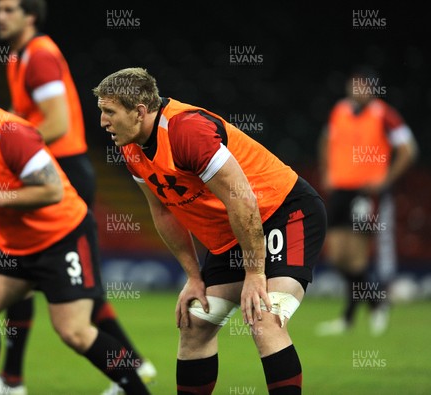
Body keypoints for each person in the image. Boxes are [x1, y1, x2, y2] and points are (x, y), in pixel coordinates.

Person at [93, 67, 327, 394]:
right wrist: (193, 276)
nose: (103, 121)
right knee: (195, 323)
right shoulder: (130, 147)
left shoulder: (186, 130)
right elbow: (163, 209)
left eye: (109, 112)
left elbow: (241, 197)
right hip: (234, 231)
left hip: (283, 212)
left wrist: (255, 273)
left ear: (140, 111)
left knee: (264, 316)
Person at [0, 70, 150, 395]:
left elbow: (51, 191)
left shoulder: (10, 133)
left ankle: (137, 389)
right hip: (14, 247)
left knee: (74, 331)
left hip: (62, 237)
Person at [0, 1, 155, 394]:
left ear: (31, 16)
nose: (0, 16)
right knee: (66, 281)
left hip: (60, 173)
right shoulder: (21, 56)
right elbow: (23, 117)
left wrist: (10, 152)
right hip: (54, 171)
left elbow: (57, 122)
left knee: (26, 271)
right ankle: (130, 364)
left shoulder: (41, 56)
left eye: (10, 9)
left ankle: (12, 379)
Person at [315, 66, 418, 336]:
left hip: (365, 193)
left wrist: (386, 180)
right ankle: (376, 303)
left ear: (372, 89)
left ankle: (348, 318)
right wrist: (327, 172)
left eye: (362, 86)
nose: (356, 90)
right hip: (340, 191)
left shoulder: (383, 114)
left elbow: (409, 150)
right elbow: (325, 140)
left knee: (357, 258)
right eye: (353, 85)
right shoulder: (340, 111)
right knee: (337, 256)